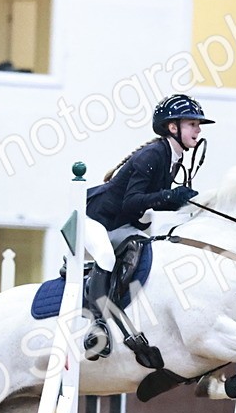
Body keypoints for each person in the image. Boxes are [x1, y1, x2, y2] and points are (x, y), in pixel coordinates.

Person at [83, 94, 214, 360]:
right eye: (192, 124)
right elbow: (133, 201)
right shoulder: (153, 155)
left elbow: (149, 203)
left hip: (119, 223)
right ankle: (97, 326)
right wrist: (169, 196)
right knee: (106, 257)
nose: (198, 130)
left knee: (149, 249)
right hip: (93, 219)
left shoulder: (172, 156)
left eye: (198, 125)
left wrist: (187, 204)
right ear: (172, 127)